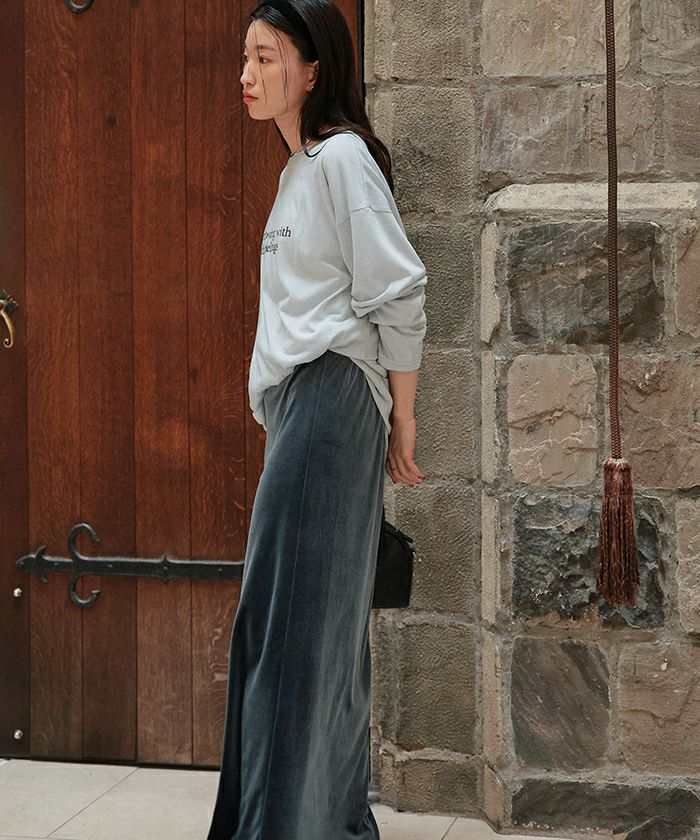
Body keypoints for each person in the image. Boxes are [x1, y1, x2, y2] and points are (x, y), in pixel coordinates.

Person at [206, 1, 427, 838]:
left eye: (266, 57)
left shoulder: (341, 160)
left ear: (312, 70)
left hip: (334, 400)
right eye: (246, 57)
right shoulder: (297, 172)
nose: (247, 74)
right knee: (308, 628)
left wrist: (402, 419)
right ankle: (327, 824)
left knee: (293, 630)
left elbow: (398, 289)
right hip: (306, 409)